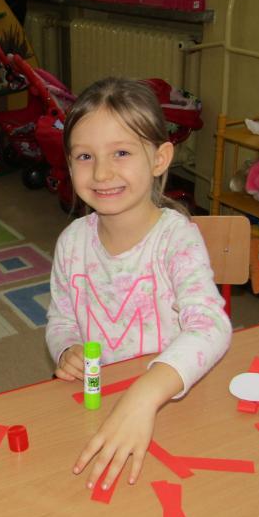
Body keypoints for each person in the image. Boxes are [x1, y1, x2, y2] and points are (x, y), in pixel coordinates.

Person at [45, 77, 232, 490]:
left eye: (122, 152)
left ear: (160, 158)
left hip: (169, 403)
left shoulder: (176, 239)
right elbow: (61, 320)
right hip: (98, 405)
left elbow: (211, 325)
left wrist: (146, 393)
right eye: (85, 156)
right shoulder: (72, 243)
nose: (102, 172)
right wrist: (67, 348)